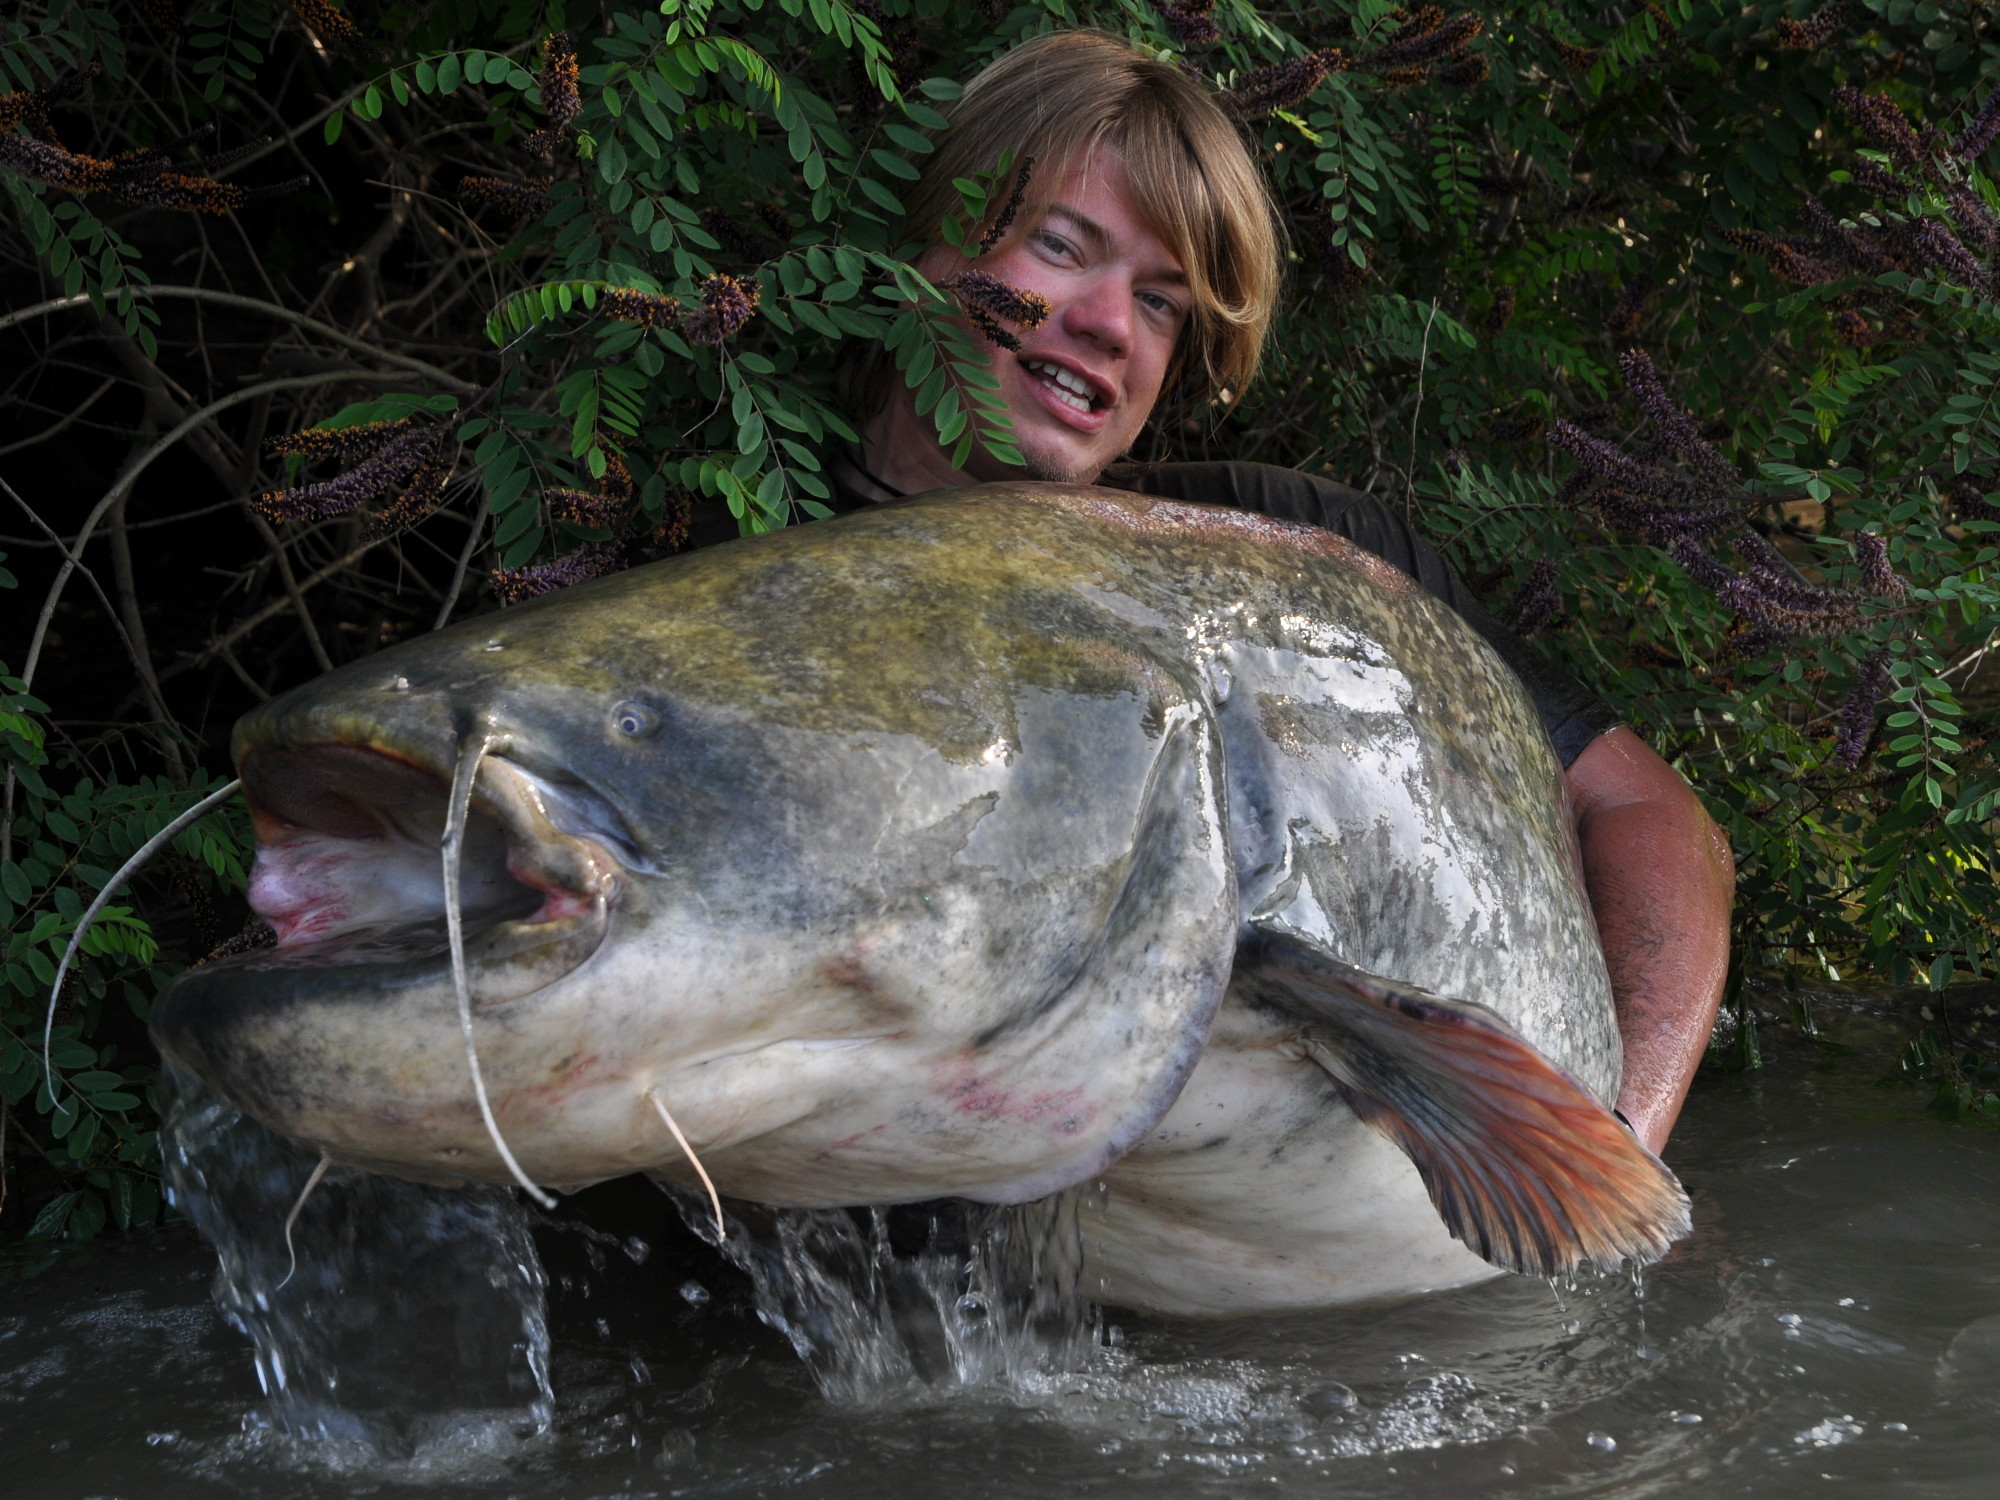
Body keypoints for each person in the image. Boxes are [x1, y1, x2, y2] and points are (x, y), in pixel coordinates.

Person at [828, 30, 1735, 1156]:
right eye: (1062, 247)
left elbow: (1650, 813)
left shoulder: (1303, 553)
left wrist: (1616, 1159)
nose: (1110, 326)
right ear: (925, 239)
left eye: (1160, 304)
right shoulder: (721, 549)